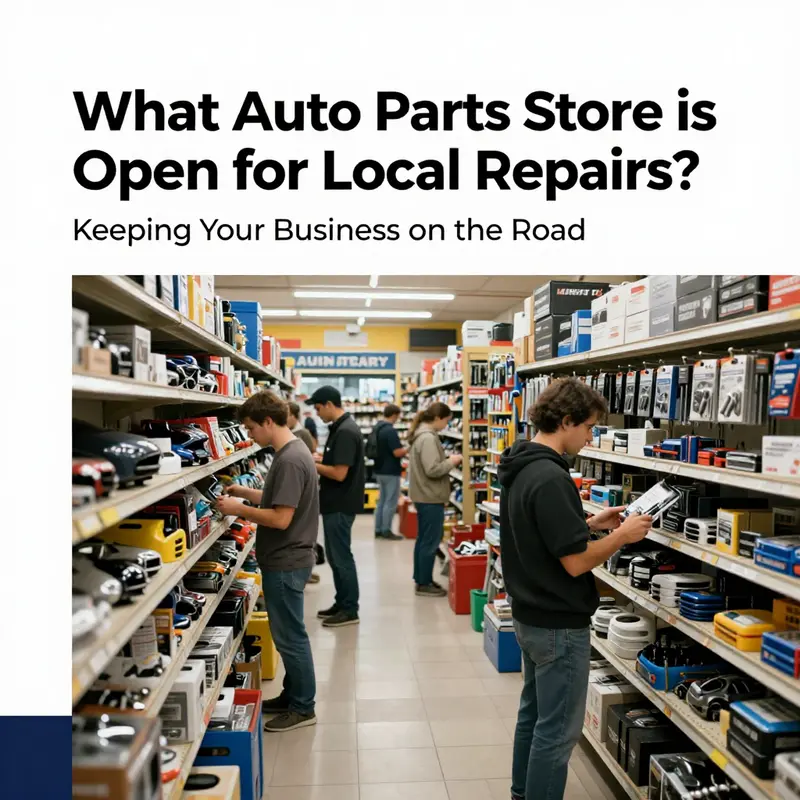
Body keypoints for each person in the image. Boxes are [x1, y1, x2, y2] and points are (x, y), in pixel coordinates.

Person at [498, 378, 653, 800]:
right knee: (558, 733)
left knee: (533, 717)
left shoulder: (520, 464)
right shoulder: (550, 477)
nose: (590, 436)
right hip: (557, 623)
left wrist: (587, 525)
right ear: (565, 422)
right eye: (588, 427)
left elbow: (535, 535)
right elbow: (576, 563)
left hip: (530, 615)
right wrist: (623, 536)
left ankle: (521, 793)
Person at [215, 391, 320, 732]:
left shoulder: (289, 460)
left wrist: (239, 510)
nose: (248, 435)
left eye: (250, 428)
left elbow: (280, 518)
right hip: (288, 557)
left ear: (268, 422)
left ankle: (304, 708)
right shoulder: (292, 451)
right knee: (288, 632)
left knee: (291, 637)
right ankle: (293, 696)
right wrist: (245, 493)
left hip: (287, 560)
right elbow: (280, 498)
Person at [308, 386, 365, 628]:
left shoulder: (345, 431)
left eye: (319, 408)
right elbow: (337, 462)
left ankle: (350, 609)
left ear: (330, 404)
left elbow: (340, 473)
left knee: (341, 558)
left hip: (340, 505)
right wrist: (322, 459)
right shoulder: (339, 428)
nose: (317, 413)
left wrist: (312, 463)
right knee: (335, 556)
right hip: (335, 503)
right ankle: (342, 602)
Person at [407, 402, 462, 597]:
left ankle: (422, 579)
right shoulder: (428, 438)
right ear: (438, 418)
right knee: (430, 541)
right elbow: (432, 469)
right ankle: (424, 583)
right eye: (446, 421)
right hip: (430, 497)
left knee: (424, 539)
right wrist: (452, 461)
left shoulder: (421, 434)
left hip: (423, 495)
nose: (446, 425)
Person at [287, 401, 322, 584]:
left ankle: (305, 570)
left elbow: (310, 459)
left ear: (294, 416)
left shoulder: (302, 435)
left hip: (302, 488)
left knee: (302, 532)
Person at [372, 403, 407, 540]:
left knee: (381, 501)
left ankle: (378, 529)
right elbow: (397, 452)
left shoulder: (378, 428)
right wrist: (408, 449)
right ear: (394, 415)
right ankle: (386, 530)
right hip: (391, 471)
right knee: (390, 501)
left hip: (379, 469)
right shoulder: (390, 431)